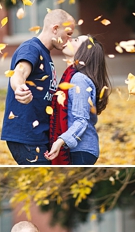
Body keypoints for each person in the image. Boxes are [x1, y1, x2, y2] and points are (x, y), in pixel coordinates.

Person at [1, 9, 75, 165]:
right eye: (68, 33)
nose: (69, 38)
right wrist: (19, 87)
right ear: (55, 29)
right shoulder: (31, 48)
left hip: (39, 135)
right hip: (27, 136)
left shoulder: (46, 53)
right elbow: (19, 72)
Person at [45, 35, 111, 165]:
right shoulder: (72, 77)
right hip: (79, 150)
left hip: (81, 151)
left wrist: (60, 141)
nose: (69, 40)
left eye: (75, 40)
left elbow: (81, 120)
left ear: (84, 51)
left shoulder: (79, 79)